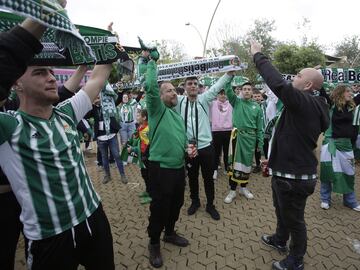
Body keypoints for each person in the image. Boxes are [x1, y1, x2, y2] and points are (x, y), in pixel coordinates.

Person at [1, 58, 115, 270]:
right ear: (16, 83)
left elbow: (98, 79)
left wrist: (108, 47)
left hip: (93, 217)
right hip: (49, 237)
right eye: (40, 73)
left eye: (51, 72)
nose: (52, 78)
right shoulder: (10, 127)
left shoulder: (67, 112)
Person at [250, 40, 330, 270]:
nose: (292, 77)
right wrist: (271, 159)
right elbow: (288, 135)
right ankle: (279, 239)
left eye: (297, 75)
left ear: (307, 86)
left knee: (295, 220)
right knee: (282, 211)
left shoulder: (303, 101)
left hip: (293, 178)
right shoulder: (314, 104)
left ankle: (296, 260)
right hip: (286, 172)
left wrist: (258, 55)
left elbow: (277, 83)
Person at [145, 58, 194, 268]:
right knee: (160, 208)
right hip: (160, 169)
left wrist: (188, 149)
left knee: (177, 204)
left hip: (177, 169)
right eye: (168, 90)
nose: (173, 93)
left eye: (175, 90)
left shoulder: (175, 116)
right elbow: (149, 87)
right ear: (160, 96)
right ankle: (154, 243)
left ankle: (170, 233)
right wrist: (151, 63)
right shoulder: (157, 110)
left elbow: (181, 140)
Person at [176, 73, 234, 220]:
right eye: (189, 83)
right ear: (184, 87)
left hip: (206, 147)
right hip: (189, 148)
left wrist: (229, 74)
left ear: (199, 87)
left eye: (195, 84)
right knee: (193, 177)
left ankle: (210, 205)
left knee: (208, 178)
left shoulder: (204, 98)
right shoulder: (179, 102)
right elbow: (162, 94)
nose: (193, 86)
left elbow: (216, 87)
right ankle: (195, 202)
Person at [319, 85, 360, 211]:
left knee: (348, 172)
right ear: (340, 93)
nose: (350, 93)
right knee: (328, 172)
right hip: (330, 143)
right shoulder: (331, 104)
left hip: (346, 144)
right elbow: (322, 92)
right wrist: (318, 75)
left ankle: (350, 200)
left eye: (351, 91)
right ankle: (325, 199)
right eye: (348, 91)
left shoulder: (351, 106)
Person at [223, 82, 264, 203]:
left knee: (246, 165)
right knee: (234, 164)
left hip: (250, 139)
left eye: (249, 89)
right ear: (241, 91)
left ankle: (243, 188)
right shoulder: (236, 102)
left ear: (252, 92)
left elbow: (259, 127)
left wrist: (260, 143)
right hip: (237, 137)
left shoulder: (257, 107)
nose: (246, 91)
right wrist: (230, 75)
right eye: (244, 89)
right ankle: (232, 190)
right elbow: (228, 90)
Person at [125, 108, 152, 204]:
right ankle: (148, 191)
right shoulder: (141, 128)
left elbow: (146, 146)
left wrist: (133, 149)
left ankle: (151, 194)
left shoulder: (147, 129)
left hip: (147, 157)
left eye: (138, 115)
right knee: (144, 175)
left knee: (149, 176)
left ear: (144, 117)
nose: (136, 117)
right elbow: (140, 143)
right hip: (143, 156)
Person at [210, 89, 233, 180]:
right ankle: (214, 169)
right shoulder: (213, 103)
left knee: (227, 151)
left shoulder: (231, 103)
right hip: (216, 130)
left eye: (224, 94)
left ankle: (227, 167)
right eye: (220, 94)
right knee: (216, 151)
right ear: (217, 95)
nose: (223, 96)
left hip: (228, 130)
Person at [252, 89, 266, 173]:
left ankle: (259, 164)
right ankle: (255, 164)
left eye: (258, 96)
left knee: (259, 149)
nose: (257, 98)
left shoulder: (265, 105)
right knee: (254, 149)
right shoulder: (251, 106)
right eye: (255, 96)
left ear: (261, 97)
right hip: (254, 131)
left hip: (264, 131)